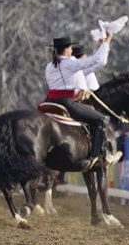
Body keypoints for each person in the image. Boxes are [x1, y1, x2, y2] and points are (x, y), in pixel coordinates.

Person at [45, 34, 120, 171]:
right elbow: (97, 59)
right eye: (70, 48)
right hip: (67, 102)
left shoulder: (49, 66)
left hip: (49, 101)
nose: (72, 51)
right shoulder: (71, 62)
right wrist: (108, 40)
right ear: (66, 50)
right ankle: (95, 158)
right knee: (102, 120)